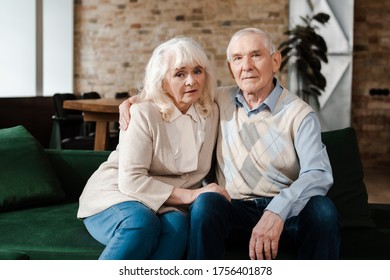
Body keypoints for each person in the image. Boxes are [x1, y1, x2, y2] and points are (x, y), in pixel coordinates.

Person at [118, 28, 340, 260]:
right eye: (237, 58)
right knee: (206, 204)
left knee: (323, 210)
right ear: (230, 68)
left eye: (256, 55)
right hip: (233, 208)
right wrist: (136, 101)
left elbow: (318, 173)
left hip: (285, 213)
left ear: (275, 61)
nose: (246, 66)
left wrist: (277, 211)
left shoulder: (300, 114)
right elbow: (175, 91)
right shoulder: (218, 99)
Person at [77, 36, 229, 260]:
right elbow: (131, 180)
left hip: (166, 203)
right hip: (118, 193)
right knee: (141, 224)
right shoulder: (142, 113)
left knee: (179, 227)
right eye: (179, 74)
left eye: (198, 71)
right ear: (162, 82)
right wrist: (193, 195)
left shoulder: (211, 111)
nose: (191, 81)